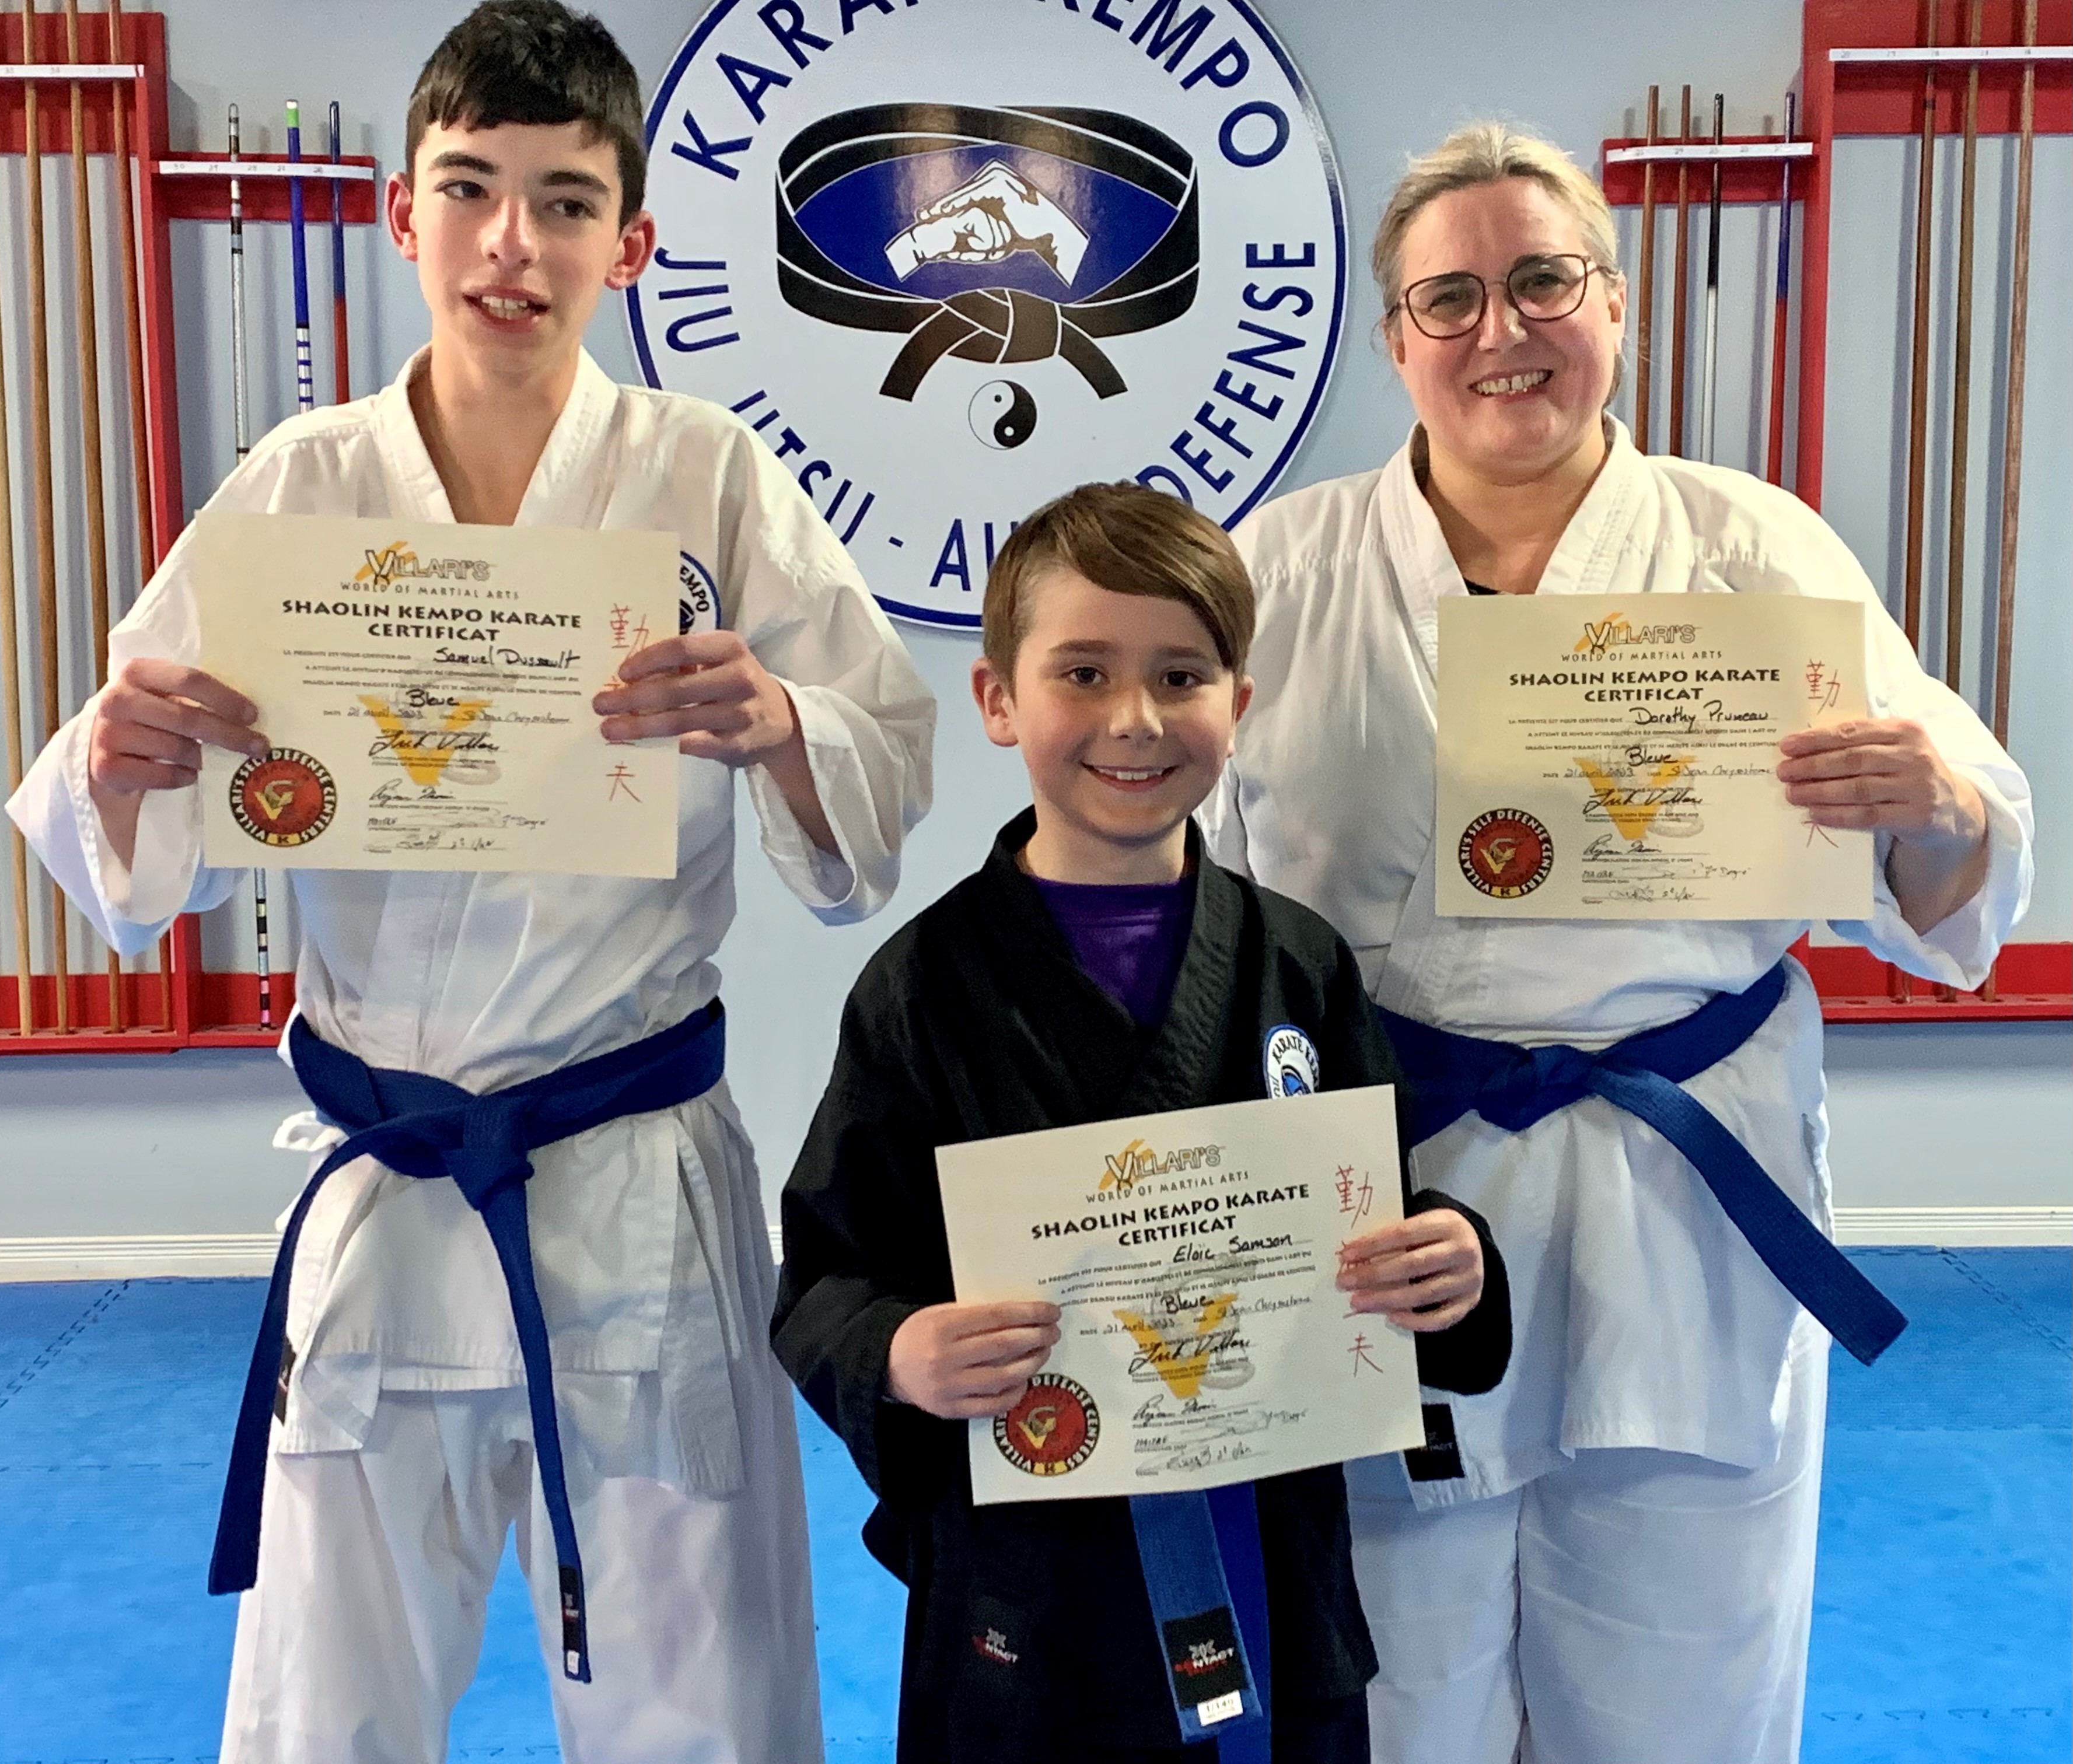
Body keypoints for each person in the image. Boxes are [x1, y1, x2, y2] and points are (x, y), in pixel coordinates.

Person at [4, 4, 935, 1760]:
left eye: (567, 201)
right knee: (325, 1710)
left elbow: (877, 757)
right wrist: (120, 759)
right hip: (395, 1177)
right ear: (400, 214)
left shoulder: (708, 476)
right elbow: (129, 799)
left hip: (632, 1173)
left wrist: (780, 721)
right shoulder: (306, 483)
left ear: (630, 242)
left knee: (701, 1707)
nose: (515, 242)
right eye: (471, 189)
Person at [1198, 123, 2034, 1764]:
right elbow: (1184, 900)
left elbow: (1950, 870)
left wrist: (1929, 800)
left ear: (1617, 304)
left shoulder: (1754, 548)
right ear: (1395, 339)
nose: (1499, 331)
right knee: (1399, 1672)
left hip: (1685, 1185)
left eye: (1542, 281)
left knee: (1683, 1669)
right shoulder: (1278, 567)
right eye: (1449, 299)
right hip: (1395, 1184)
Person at [772, 481, 1513, 1764]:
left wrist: (1447, 1261)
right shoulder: (924, 986)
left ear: (1240, 699)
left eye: (1180, 676)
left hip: (1268, 1535)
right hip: (1031, 1577)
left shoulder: (1296, 963)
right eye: (1083, 673)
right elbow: (826, 1273)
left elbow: (1370, 1213)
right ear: (998, 700)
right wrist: (898, 1353)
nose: (1134, 718)